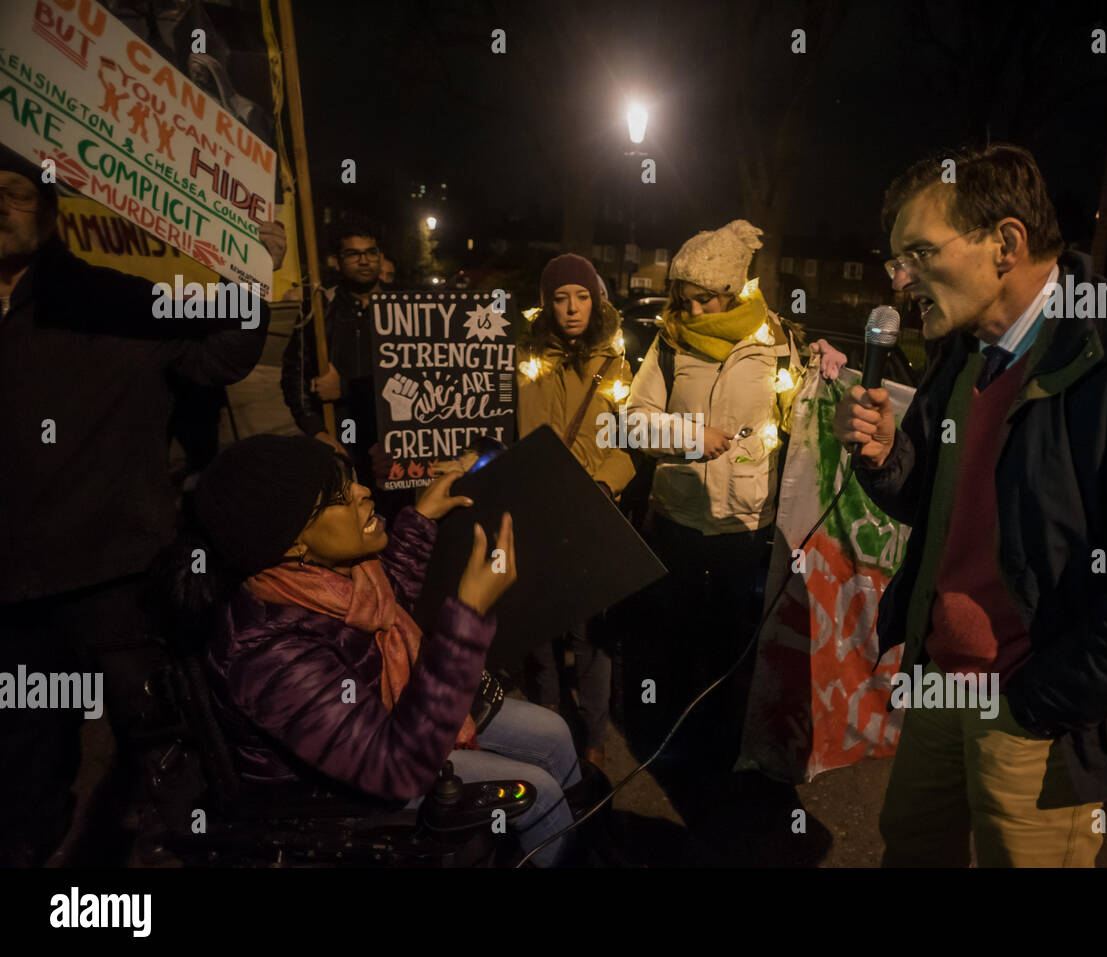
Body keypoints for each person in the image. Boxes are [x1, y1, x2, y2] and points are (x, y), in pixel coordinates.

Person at [833, 143, 1107, 866]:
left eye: (917, 252)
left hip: (1037, 712)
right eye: (894, 260)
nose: (900, 278)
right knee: (911, 845)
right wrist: (887, 460)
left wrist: (1034, 702)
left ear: (1005, 242)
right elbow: (938, 510)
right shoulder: (968, 353)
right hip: (945, 687)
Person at [0, 143, 286, 866]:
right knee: (25, 779)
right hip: (16, 597)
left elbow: (217, 355)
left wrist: (247, 271)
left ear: (55, 210)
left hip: (120, 583)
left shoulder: (115, 293)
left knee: (168, 766)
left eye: (18, 191)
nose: (2, 205)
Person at [174, 434, 580, 866]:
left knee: (552, 732)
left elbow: (388, 599)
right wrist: (468, 617)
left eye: (351, 480)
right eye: (338, 496)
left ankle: (581, 838)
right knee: (535, 792)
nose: (363, 492)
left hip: (386, 714)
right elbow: (396, 769)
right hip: (346, 791)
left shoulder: (333, 576)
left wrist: (422, 517)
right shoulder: (267, 653)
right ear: (292, 542)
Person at [624, 220, 845, 765]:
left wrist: (827, 374)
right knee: (670, 637)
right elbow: (630, 424)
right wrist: (689, 438)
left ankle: (722, 747)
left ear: (731, 290)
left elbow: (804, 423)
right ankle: (665, 742)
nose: (693, 312)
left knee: (730, 644)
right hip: (674, 518)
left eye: (704, 299)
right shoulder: (669, 343)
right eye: (685, 299)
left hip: (744, 526)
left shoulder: (776, 343)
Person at [515, 254, 636, 769]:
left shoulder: (616, 361)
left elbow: (629, 437)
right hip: (538, 506)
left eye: (581, 296)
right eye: (560, 297)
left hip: (593, 510)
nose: (571, 308)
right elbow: (510, 429)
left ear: (596, 300)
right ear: (546, 304)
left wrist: (605, 484)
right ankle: (544, 717)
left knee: (592, 632)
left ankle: (593, 730)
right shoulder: (525, 359)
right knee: (540, 626)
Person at [281, 221, 391, 496]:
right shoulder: (319, 311)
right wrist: (318, 432)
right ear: (336, 261)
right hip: (341, 442)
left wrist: (346, 389)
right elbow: (294, 376)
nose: (364, 260)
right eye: (353, 254)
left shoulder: (403, 309)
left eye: (371, 252)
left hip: (393, 445)